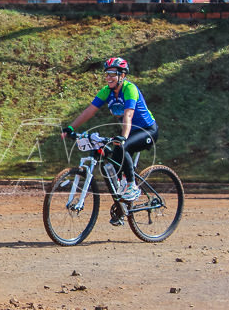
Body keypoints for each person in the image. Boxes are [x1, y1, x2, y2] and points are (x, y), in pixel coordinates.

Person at [61, 57, 158, 204]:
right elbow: (89, 111)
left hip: (147, 130)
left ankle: (132, 186)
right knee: (112, 164)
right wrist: (70, 128)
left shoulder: (129, 89)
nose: (108, 77)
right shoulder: (106, 91)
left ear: (122, 75)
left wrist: (123, 137)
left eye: (112, 74)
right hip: (129, 131)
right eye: (106, 74)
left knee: (123, 146)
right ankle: (122, 206)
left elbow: (128, 114)